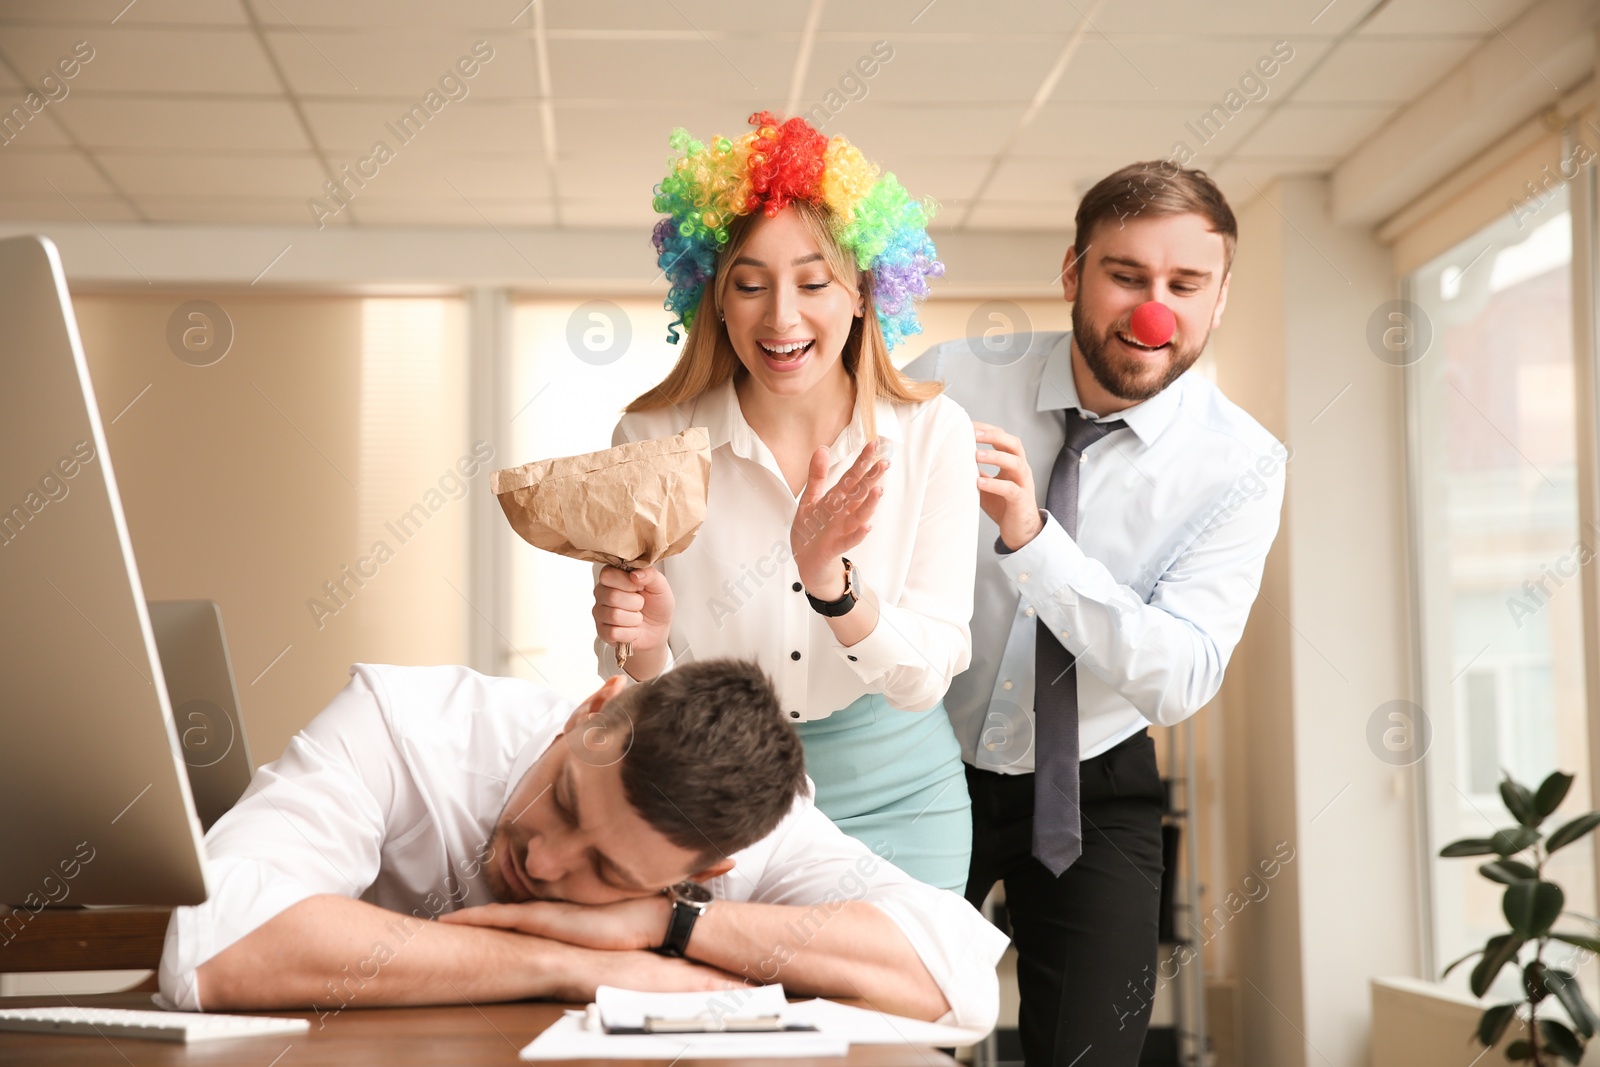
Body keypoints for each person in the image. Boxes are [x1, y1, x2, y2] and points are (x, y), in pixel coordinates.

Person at [905, 161, 1287, 1065]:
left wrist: (1035, 541)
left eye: (1184, 285)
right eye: (1127, 276)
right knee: (882, 1038)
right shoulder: (948, 385)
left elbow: (1181, 677)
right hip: (918, 764)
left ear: (1219, 297)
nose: (1154, 310)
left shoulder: (1241, 465)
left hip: (1093, 784)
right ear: (1073, 273)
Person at [158, 657, 1008, 1028]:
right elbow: (216, 937)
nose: (545, 859)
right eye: (564, 798)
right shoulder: (401, 723)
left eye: (608, 869)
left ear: (708, 871)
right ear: (591, 712)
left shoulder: (753, 832)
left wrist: (666, 930)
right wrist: (571, 961)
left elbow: (958, 978)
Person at [590, 112, 979, 892]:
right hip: (714, 786)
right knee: (722, 1011)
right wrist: (647, 645)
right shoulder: (651, 436)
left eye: (812, 281)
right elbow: (629, 682)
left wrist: (835, 588)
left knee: (894, 1014)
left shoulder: (935, 431)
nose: (782, 317)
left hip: (899, 793)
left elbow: (927, 674)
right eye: (750, 284)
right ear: (717, 297)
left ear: (865, 292)